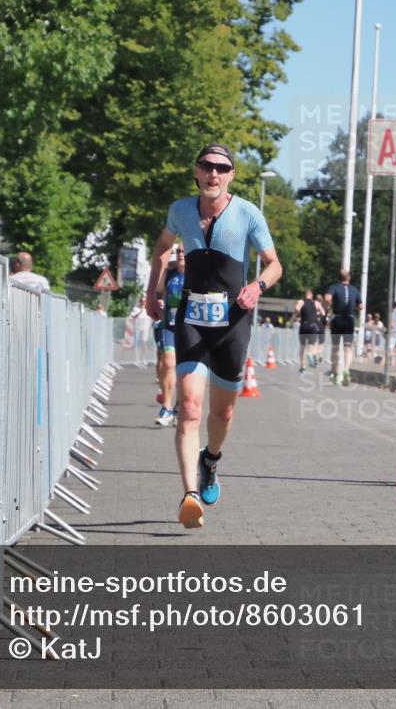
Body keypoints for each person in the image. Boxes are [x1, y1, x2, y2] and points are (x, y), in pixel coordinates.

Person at [146, 143, 282, 529]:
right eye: (207, 166)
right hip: (191, 316)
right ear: (197, 170)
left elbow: (275, 265)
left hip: (233, 321)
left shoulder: (247, 214)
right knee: (189, 407)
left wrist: (257, 285)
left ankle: (211, 460)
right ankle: (189, 495)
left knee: (222, 413)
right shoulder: (181, 210)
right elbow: (161, 248)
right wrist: (152, 293)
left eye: (222, 168)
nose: (213, 173)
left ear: (231, 176)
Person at [154, 245, 185, 427]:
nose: (181, 254)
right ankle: (166, 407)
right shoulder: (169, 274)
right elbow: (157, 291)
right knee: (168, 363)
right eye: (178, 251)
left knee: (185, 372)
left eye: (184, 251)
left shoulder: (198, 274)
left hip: (190, 329)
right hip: (170, 326)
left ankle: (179, 408)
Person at [326, 269, 363, 385]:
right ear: (349, 278)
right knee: (348, 348)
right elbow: (361, 306)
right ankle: (346, 369)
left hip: (337, 318)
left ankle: (335, 372)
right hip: (349, 319)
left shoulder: (334, 287)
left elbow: (327, 298)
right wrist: (354, 307)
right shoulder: (355, 290)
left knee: (336, 347)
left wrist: (329, 306)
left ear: (339, 278)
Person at [294, 289, 325, 372]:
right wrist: (316, 313)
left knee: (302, 346)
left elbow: (297, 309)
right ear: (311, 295)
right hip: (312, 326)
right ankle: (310, 353)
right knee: (311, 345)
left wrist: (299, 313)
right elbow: (323, 313)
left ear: (304, 295)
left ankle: (302, 367)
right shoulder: (316, 303)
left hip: (303, 326)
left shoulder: (301, 301)